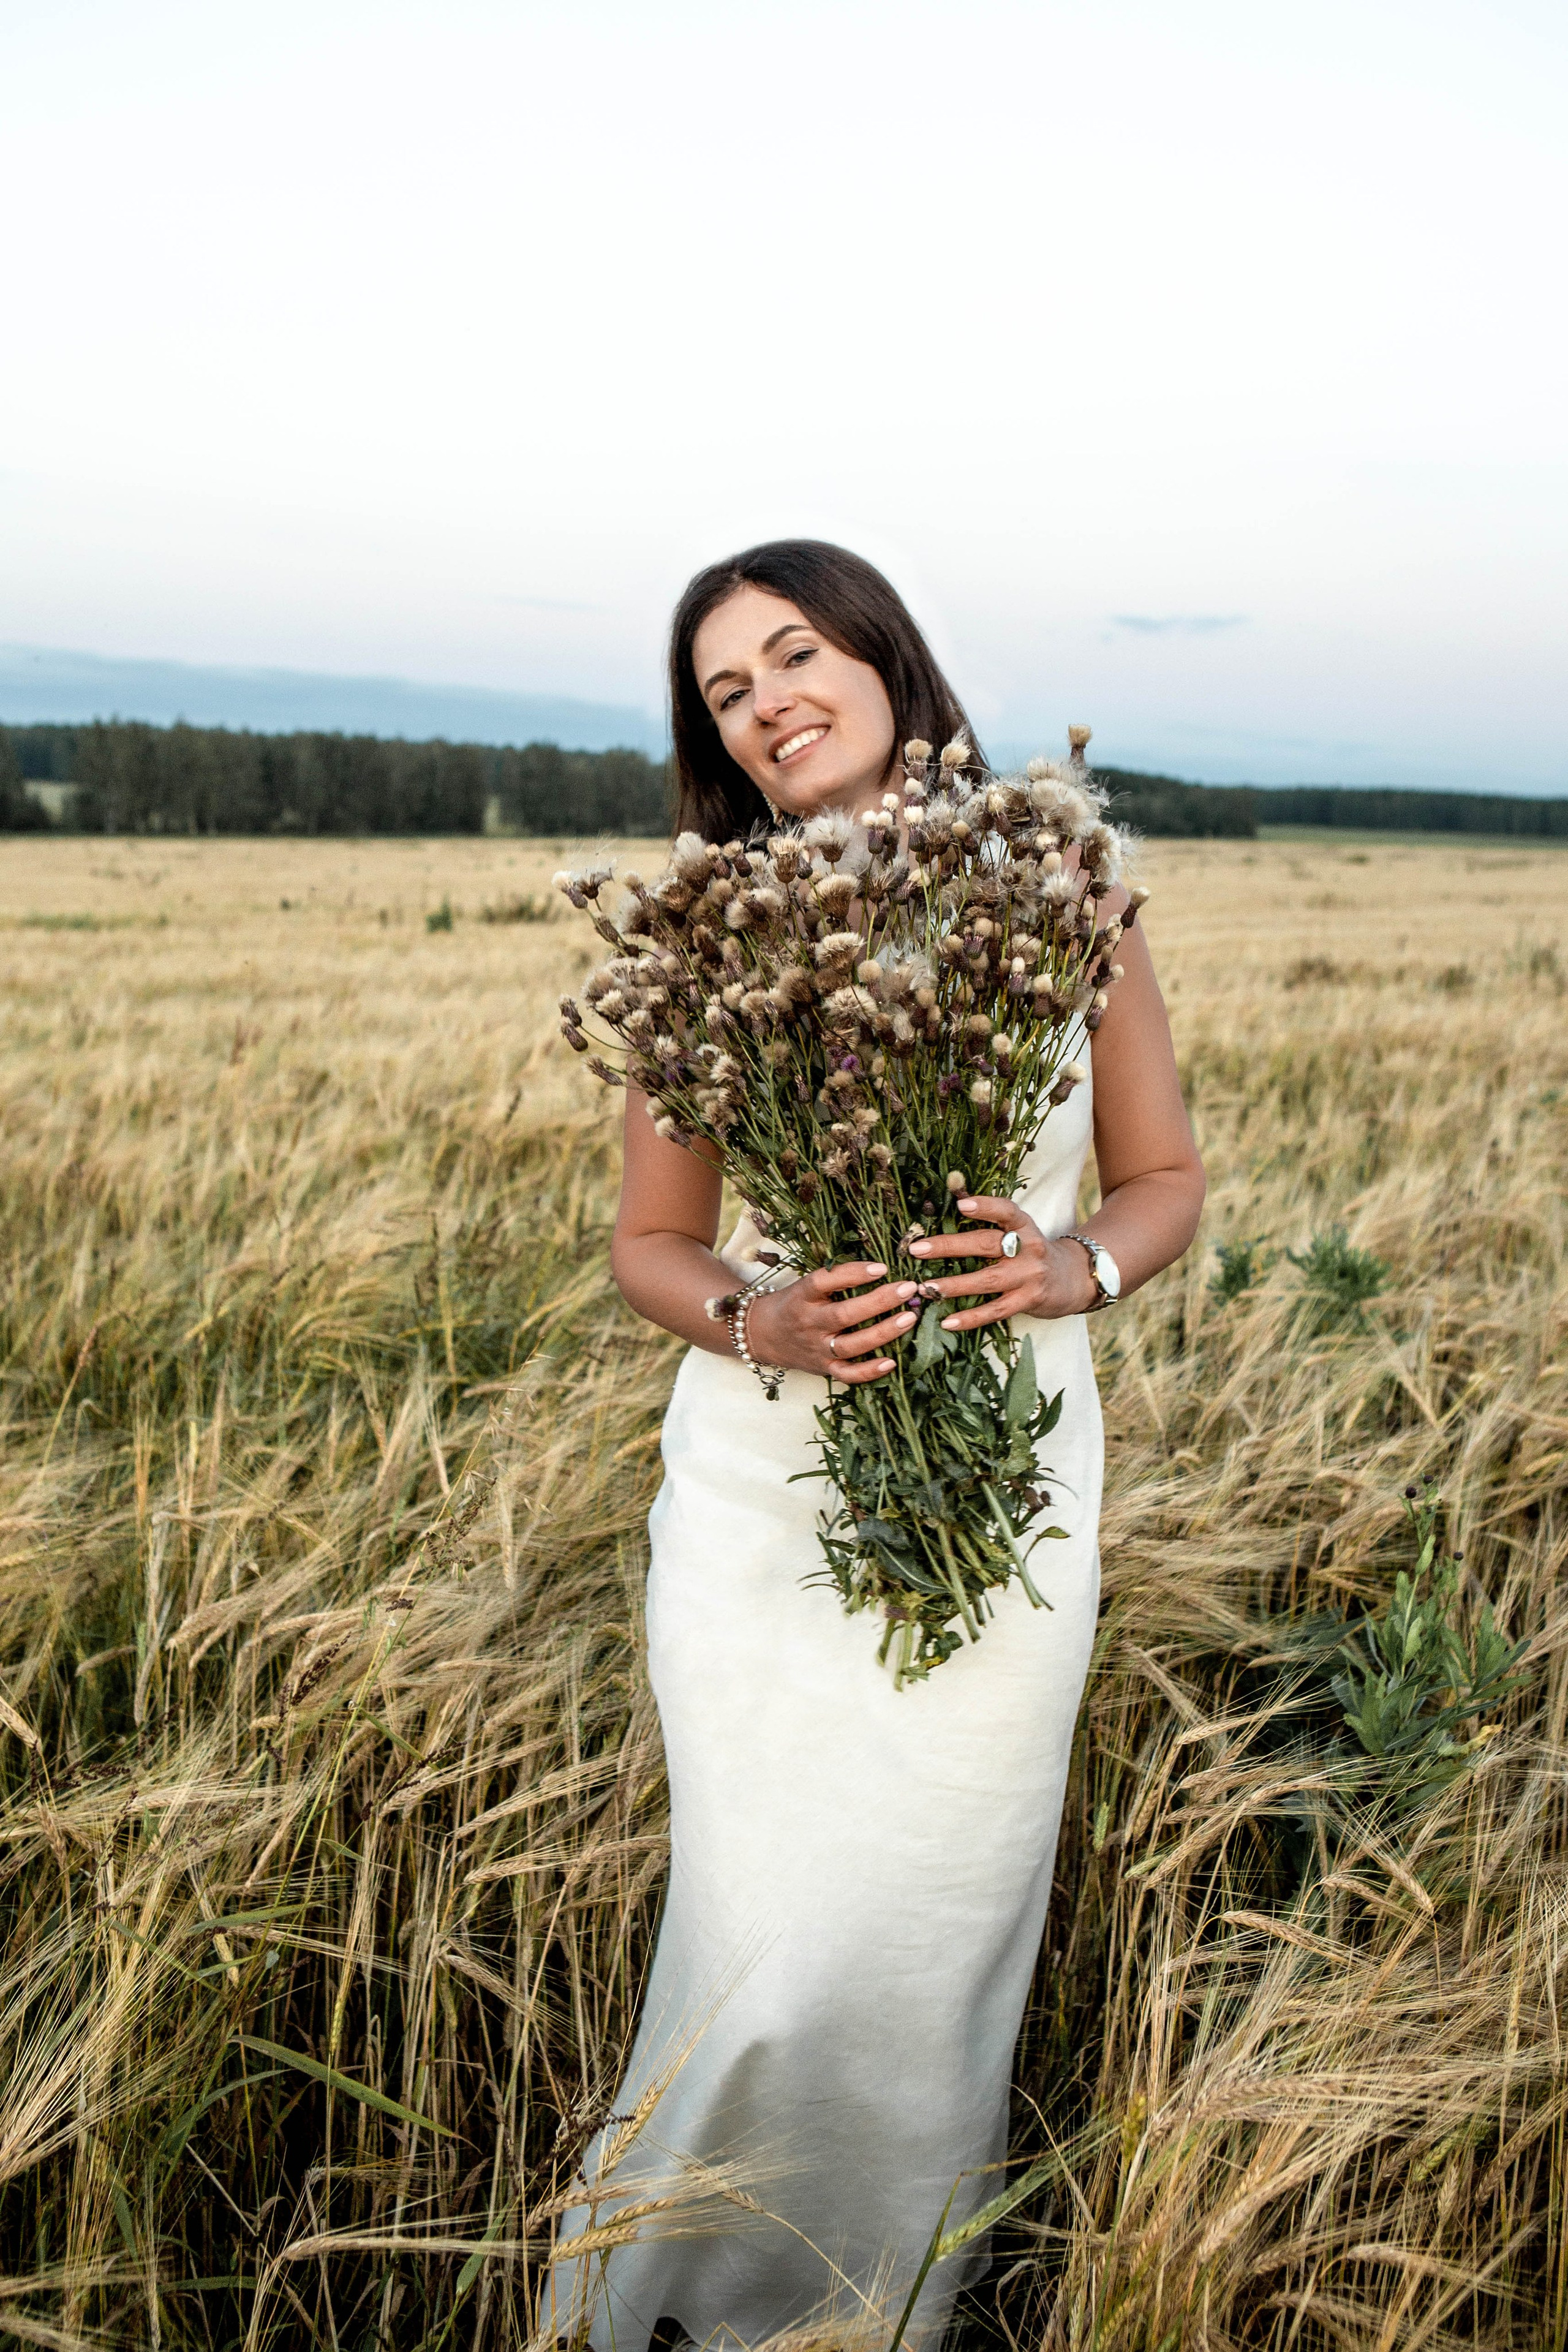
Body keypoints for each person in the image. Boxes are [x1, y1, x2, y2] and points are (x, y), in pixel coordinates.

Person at [550, 541, 1205, 2349]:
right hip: (770, 1503)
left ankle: (886, 2308)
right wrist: (758, 1316)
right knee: (768, 1934)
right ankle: (672, 2291)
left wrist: (1075, 1266)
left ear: (886, 656)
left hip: (1009, 1495)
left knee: (937, 1934)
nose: (763, 703)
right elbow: (650, 1243)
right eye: (724, 692)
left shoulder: (1068, 887)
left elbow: (1164, 1184)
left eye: (791, 652)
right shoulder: (705, 933)